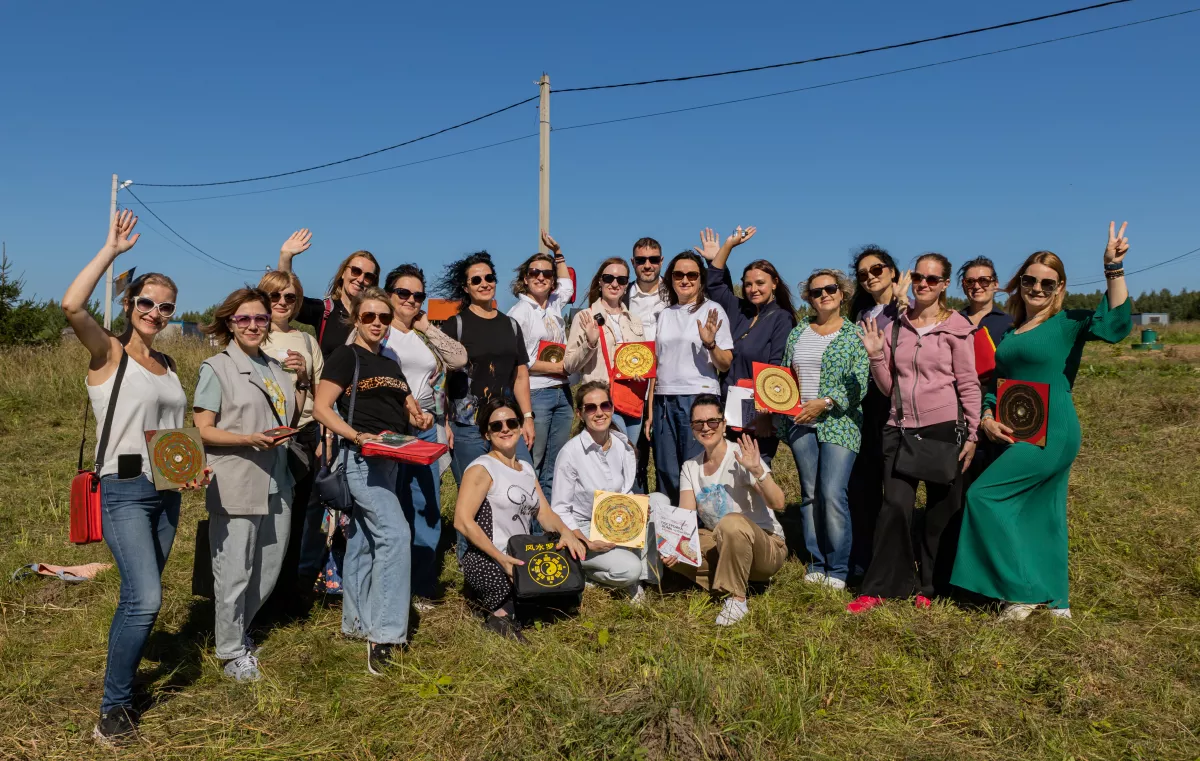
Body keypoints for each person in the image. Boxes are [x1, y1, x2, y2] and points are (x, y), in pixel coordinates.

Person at [63, 210, 208, 745]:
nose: (155, 313)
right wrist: (112, 251)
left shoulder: (169, 363)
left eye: (166, 307)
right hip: (122, 491)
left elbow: (172, 431)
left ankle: (125, 668)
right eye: (146, 302)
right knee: (145, 599)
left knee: (139, 597)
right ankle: (114, 707)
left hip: (166, 492)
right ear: (129, 305)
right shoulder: (108, 352)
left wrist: (190, 469)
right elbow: (72, 305)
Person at [952, 223, 1133, 620]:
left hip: (1054, 430)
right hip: (1020, 428)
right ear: (1019, 284)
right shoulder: (1013, 331)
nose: (1037, 288)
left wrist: (1113, 268)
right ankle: (1056, 600)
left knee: (984, 496)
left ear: (1059, 288)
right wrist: (986, 417)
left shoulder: (1068, 322)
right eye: (1030, 280)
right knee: (1041, 511)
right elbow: (997, 384)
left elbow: (1116, 327)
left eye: (1047, 283)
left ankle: (1021, 592)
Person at [848, 253, 980, 614]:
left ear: (945, 285)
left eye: (932, 279)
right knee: (894, 506)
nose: (923, 284)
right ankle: (882, 587)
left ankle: (930, 586)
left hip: (943, 429)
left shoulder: (957, 327)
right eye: (919, 277)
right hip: (899, 428)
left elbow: (968, 384)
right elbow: (889, 386)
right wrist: (876, 356)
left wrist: (972, 434)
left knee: (940, 511)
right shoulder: (898, 326)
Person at [312, 287, 433, 673]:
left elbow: (409, 410)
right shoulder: (346, 356)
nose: (377, 323)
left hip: (392, 459)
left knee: (363, 541)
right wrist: (355, 436)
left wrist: (420, 418)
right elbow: (321, 408)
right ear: (356, 319)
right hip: (361, 459)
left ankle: (356, 622)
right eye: (369, 317)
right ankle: (384, 636)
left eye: (384, 317)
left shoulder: (391, 364)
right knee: (395, 535)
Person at [195, 288, 301, 682]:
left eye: (260, 318)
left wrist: (302, 381)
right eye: (244, 318)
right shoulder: (216, 368)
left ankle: (239, 631)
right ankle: (229, 652)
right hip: (237, 479)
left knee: (267, 567)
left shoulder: (275, 367)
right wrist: (247, 439)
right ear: (230, 322)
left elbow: (288, 414)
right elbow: (202, 429)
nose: (253, 325)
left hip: (278, 478)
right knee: (235, 570)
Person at [452, 397, 587, 641]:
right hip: (489, 558)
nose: (505, 429)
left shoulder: (525, 468)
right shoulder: (482, 468)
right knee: (523, 596)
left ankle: (510, 608)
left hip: (521, 554)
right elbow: (462, 520)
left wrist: (566, 532)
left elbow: (544, 513)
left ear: (520, 427)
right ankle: (499, 614)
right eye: (496, 426)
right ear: (486, 434)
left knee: (566, 596)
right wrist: (501, 558)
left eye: (511, 423)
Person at [381, 264, 467, 606]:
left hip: (427, 426)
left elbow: (458, 359)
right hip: (390, 427)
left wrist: (427, 327)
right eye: (403, 293)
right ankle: (390, 584)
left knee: (426, 503)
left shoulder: (421, 336)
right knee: (391, 504)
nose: (411, 300)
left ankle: (421, 584)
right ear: (389, 294)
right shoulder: (376, 329)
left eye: (418, 295)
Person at [778, 269, 869, 590]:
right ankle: (816, 562)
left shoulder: (854, 334)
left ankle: (839, 568)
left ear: (842, 293)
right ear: (809, 299)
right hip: (801, 423)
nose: (824, 295)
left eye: (830, 289)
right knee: (810, 495)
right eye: (816, 292)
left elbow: (861, 381)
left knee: (832, 494)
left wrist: (826, 402)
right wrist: (774, 399)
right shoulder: (798, 332)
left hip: (840, 425)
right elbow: (785, 374)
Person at [662, 395, 787, 626]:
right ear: (692, 428)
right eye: (698, 423)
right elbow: (686, 518)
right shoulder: (690, 467)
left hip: (766, 546)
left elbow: (778, 503)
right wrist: (675, 546)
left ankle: (736, 599)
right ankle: (736, 579)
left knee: (731, 522)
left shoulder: (741, 456)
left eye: (712, 421)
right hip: (723, 543)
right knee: (676, 549)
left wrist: (758, 471)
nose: (706, 427)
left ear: (723, 424)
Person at [694, 226, 797, 461]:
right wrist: (728, 246)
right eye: (748, 284)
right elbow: (714, 284)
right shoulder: (739, 310)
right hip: (728, 408)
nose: (753, 289)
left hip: (759, 412)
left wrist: (766, 412)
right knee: (728, 471)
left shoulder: (782, 318)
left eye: (760, 283)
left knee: (756, 472)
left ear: (774, 283)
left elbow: (776, 367)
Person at [256, 269, 325, 618]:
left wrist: (324, 436)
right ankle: (261, 596)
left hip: (305, 433)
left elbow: (322, 394)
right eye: (275, 296)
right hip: (266, 435)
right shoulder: (253, 334)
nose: (282, 302)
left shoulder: (307, 341)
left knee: (300, 519)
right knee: (268, 518)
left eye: (290, 297)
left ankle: (290, 593)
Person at [438, 252, 535, 483]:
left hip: (507, 423)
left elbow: (520, 375)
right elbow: (441, 379)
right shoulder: (455, 326)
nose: (484, 284)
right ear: (466, 287)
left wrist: (527, 417)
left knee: (522, 483)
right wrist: (444, 423)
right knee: (476, 492)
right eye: (476, 280)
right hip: (468, 428)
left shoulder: (511, 325)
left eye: (489, 278)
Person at [845, 245, 910, 581]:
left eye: (877, 269)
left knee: (894, 489)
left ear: (892, 271)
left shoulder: (906, 307)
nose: (870, 277)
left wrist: (904, 301)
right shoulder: (862, 314)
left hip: (895, 404)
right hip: (864, 406)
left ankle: (894, 563)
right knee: (864, 485)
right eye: (863, 274)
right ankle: (864, 558)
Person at [551, 382, 650, 602]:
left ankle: (642, 579)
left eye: (604, 405)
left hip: (616, 519)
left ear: (612, 408)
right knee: (630, 568)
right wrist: (585, 541)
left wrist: (636, 503)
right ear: (580, 414)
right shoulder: (570, 453)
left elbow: (624, 490)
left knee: (658, 502)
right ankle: (590, 574)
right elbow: (560, 509)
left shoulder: (622, 445)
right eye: (590, 408)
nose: (599, 413)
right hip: (584, 527)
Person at [650, 252, 734, 503]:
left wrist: (710, 344)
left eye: (692, 275)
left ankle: (698, 522)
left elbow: (725, 363)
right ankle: (670, 522)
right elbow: (657, 363)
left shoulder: (713, 310)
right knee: (666, 468)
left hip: (699, 397)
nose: (685, 280)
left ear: (701, 279)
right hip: (665, 399)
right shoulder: (664, 314)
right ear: (671, 279)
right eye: (678, 275)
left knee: (695, 466)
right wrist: (650, 409)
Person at [507, 231, 576, 501]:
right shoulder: (519, 313)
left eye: (547, 274)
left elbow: (567, 286)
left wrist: (558, 253)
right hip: (536, 393)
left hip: (562, 393)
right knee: (533, 462)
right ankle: (528, 519)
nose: (541, 277)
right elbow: (520, 362)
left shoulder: (555, 304)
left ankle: (548, 518)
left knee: (555, 464)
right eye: (534, 272)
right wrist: (558, 368)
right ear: (525, 278)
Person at [563, 257, 648, 446]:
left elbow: (641, 359)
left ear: (626, 285)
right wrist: (590, 343)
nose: (615, 284)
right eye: (609, 278)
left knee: (629, 455)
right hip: (601, 400)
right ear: (600, 281)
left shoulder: (635, 320)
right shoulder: (585, 317)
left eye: (621, 280)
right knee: (612, 453)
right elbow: (569, 365)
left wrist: (641, 370)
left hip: (631, 399)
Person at [277, 229, 381, 358]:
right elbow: (289, 299)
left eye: (368, 276)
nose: (360, 279)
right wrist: (285, 258)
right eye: (355, 271)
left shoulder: (378, 318)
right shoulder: (325, 310)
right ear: (343, 273)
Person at [957, 256, 1014, 489]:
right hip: (958, 414)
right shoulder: (951, 322)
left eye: (984, 280)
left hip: (997, 410)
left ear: (995, 284)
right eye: (970, 281)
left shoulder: (1010, 324)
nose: (977, 286)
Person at [627, 237, 669, 493]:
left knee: (667, 462)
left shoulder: (674, 293)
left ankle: (670, 513)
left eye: (653, 259)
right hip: (632, 388)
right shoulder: (622, 293)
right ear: (633, 262)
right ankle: (636, 512)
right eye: (641, 260)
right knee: (633, 459)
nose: (647, 265)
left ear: (661, 261)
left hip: (665, 388)